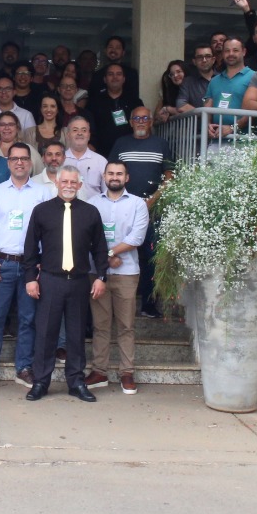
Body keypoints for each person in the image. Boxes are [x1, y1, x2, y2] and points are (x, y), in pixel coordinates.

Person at [22, 166, 109, 403]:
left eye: (74, 182)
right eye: (65, 182)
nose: (69, 185)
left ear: (80, 185)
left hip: (79, 281)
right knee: (46, 333)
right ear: (57, 184)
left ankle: (76, 381)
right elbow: (30, 247)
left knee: (76, 333)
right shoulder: (42, 211)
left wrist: (101, 276)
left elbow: (100, 247)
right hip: (50, 280)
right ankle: (41, 381)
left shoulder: (90, 212)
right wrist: (30, 278)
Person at [0, 142, 53, 387]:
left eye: (24, 158)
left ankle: (24, 367)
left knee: (28, 318)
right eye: (14, 159)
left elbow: (50, 231)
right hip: (1, 263)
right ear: (8, 162)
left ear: (31, 163)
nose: (19, 162)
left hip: (32, 267)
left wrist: (42, 262)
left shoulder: (42, 193)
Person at [86, 161, 148, 394]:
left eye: (119, 174)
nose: (114, 177)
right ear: (104, 176)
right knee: (100, 325)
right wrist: (105, 259)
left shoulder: (137, 204)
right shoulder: (92, 204)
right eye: (110, 173)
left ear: (127, 178)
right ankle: (100, 370)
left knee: (126, 325)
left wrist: (111, 253)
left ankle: (126, 372)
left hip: (126, 273)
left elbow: (137, 237)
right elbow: (88, 237)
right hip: (97, 274)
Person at [111, 105, 171, 317]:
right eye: (136, 118)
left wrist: (152, 200)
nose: (141, 121)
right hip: (124, 208)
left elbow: (169, 176)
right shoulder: (121, 143)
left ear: (151, 121)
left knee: (151, 255)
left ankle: (148, 304)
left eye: (145, 118)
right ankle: (115, 304)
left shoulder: (161, 144)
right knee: (120, 250)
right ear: (130, 122)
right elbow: (113, 174)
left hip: (152, 210)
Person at [203, 38, 256, 142]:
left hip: (243, 142)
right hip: (216, 141)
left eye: (235, 50)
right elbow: (207, 109)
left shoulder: (255, 77)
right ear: (222, 54)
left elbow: (254, 110)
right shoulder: (214, 81)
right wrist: (207, 126)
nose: (231, 54)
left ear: (244, 52)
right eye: (227, 51)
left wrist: (232, 128)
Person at [88, 63, 141, 158]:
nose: (115, 77)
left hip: (129, 151)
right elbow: (87, 125)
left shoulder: (134, 101)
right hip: (100, 152)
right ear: (105, 79)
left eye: (118, 74)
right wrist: (90, 144)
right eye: (111, 74)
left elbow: (142, 123)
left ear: (124, 79)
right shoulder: (94, 102)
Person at [61, 115, 106, 194]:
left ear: (89, 135)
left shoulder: (101, 161)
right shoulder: (60, 160)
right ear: (68, 135)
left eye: (84, 130)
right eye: (75, 130)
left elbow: (107, 193)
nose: (80, 133)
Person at [178, 42, 217, 113]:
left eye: (208, 56)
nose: (204, 60)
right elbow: (181, 105)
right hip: (198, 123)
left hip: (223, 123)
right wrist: (205, 116)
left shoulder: (224, 78)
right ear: (194, 61)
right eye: (200, 57)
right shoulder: (187, 82)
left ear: (213, 60)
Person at [26, 95, 64, 162]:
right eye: (45, 106)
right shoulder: (29, 132)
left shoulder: (66, 132)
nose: (48, 110)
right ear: (41, 109)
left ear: (58, 109)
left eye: (52, 106)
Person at [155, 60, 187, 128]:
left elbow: (190, 112)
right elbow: (156, 116)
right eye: (172, 74)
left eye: (178, 71)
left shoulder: (195, 87)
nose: (175, 75)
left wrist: (168, 109)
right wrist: (163, 114)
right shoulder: (171, 92)